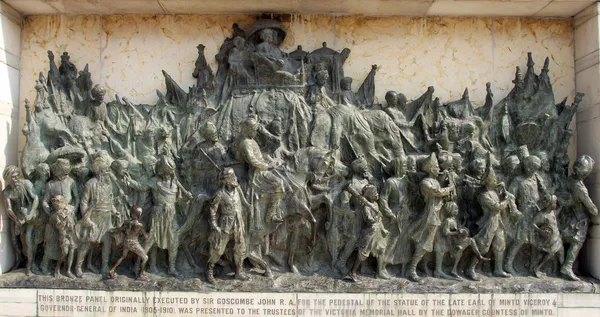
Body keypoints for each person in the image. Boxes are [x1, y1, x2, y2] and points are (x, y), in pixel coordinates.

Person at [125, 155, 193, 276]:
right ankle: (137, 266)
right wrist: (129, 181)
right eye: (165, 171)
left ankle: (172, 268)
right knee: (151, 240)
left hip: (171, 215)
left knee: (173, 241)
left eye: (169, 171)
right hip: (158, 214)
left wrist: (187, 196)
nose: (168, 174)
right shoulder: (154, 181)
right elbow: (142, 187)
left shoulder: (175, 181)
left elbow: (181, 196)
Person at [408, 154, 454, 282]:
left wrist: (448, 179)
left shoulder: (436, 181)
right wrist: (449, 189)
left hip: (439, 214)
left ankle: (433, 269)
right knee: (425, 244)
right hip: (431, 215)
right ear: (430, 168)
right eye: (436, 166)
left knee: (436, 244)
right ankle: (411, 269)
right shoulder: (425, 182)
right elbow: (437, 192)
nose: (438, 168)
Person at [466, 166, 516, 280]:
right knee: (483, 246)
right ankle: (470, 269)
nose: (495, 181)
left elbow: (505, 197)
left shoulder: (494, 192)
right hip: (488, 222)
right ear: (488, 182)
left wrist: (504, 191)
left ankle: (498, 269)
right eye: (493, 180)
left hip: (498, 222)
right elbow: (496, 207)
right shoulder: (483, 195)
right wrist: (506, 201)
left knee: (500, 245)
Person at [206, 168, 251, 283]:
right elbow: (212, 211)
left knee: (240, 248)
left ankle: (239, 272)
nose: (235, 178)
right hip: (225, 224)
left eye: (234, 176)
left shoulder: (238, 190)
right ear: (226, 180)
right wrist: (214, 225)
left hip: (238, 223)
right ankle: (209, 272)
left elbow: (245, 203)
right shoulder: (219, 194)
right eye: (232, 177)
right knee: (218, 249)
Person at [560, 155, 598, 281]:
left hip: (567, 216)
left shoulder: (569, 180)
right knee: (577, 242)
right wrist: (596, 211)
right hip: (578, 219)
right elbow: (591, 207)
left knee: (565, 240)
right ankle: (567, 266)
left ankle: (568, 265)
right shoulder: (580, 188)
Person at [345, 184, 389, 282]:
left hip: (378, 232)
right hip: (370, 232)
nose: (377, 194)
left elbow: (379, 221)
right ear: (369, 195)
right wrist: (377, 216)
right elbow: (369, 220)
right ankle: (352, 272)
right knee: (363, 253)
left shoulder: (376, 205)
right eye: (374, 193)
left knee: (381, 249)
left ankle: (380, 271)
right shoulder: (366, 206)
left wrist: (383, 229)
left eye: (376, 192)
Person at [1, 165, 40, 275]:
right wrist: (17, 220)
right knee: (14, 240)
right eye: (13, 177)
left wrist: (31, 214)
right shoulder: (6, 192)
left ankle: (30, 265)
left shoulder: (26, 183)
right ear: (7, 178)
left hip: (30, 214)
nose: (17, 178)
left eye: (18, 175)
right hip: (17, 216)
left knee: (28, 239)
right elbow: (9, 209)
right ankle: (20, 259)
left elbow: (35, 198)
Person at [437, 201, 489, 280]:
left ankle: (455, 269)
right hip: (451, 242)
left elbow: (456, 229)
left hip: (456, 240)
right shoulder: (448, 221)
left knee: (469, 242)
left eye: (457, 209)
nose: (457, 210)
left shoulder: (453, 220)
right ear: (450, 210)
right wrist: (456, 232)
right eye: (455, 209)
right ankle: (478, 256)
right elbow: (446, 232)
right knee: (470, 241)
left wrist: (461, 229)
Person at [108, 205, 149, 280]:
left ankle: (112, 270)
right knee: (145, 257)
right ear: (139, 214)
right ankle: (141, 274)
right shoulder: (139, 225)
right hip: (134, 243)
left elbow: (119, 230)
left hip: (126, 242)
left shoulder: (126, 222)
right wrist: (146, 235)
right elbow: (145, 236)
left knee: (123, 257)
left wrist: (113, 230)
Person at [531, 194, 563, 278]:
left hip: (557, 237)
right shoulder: (542, 215)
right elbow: (533, 223)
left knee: (558, 253)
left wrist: (562, 207)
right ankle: (537, 268)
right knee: (549, 254)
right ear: (549, 203)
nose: (555, 205)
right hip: (549, 239)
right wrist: (540, 231)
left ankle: (560, 270)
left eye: (555, 203)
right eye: (554, 203)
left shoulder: (553, 212)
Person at [49, 195, 76, 278]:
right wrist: (60, 225)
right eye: (55, 205)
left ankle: (68, 270)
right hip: (63, 235)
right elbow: (57, 226)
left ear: (62, 201)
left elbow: (74, 218)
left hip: (72, 234)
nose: (56, 206)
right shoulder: (55, 215)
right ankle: (57, 268)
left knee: (72, 251)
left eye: (57, 203)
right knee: (65, 252)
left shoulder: (71, 208)